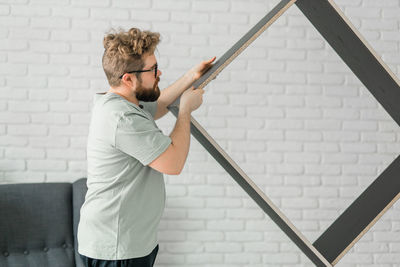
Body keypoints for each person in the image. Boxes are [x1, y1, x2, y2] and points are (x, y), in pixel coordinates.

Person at [77, 27, 215, 267]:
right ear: (128, 79)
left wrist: (192, 76)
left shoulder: (124, 103)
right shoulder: (122, 118)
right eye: (152, 69)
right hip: (117, 247)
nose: (158, 72)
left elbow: (159, 105)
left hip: (126, 241)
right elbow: (173, 164)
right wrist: (185, 111)